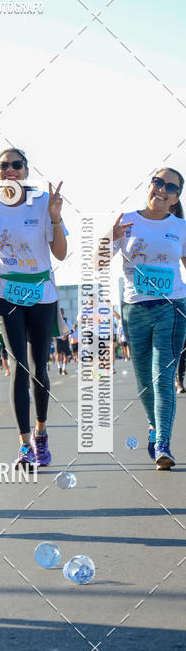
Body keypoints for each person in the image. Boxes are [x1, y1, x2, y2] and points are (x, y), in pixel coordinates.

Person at [0, 147, 68, 468]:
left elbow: (61, 253)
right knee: (18, 366)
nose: (10, 170)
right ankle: (24, 445)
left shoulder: (43, 202)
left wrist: (55, 218)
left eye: (16, 164)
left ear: (26, 170)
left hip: (40, 293)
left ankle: (41, 433)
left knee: (39, 368)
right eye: (3, 166)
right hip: (6, 293)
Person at [108, 168, 186, 469]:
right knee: (144, 382)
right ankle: (154, 426)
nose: (162, 189)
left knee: (162, 377)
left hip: (172, 307)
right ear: (149, 186)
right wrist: (110, 237)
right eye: (158, 182)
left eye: (170, 187)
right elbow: (98, 261)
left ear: (176, 198)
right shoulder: (127, 220)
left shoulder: (180, 227)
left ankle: (164, 443)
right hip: (135, 309)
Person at [55, 309, 70, 374]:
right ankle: (59, 366)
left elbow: (70, 329)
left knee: (66, 354)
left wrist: (66, 336)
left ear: (63, 313)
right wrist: (54, 336)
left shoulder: (67, 320)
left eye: (62, 313)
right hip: (58, 339)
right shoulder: (55, 320)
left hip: (65, 339)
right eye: (60, 313)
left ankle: (64, 368)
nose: (61, 314)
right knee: (59, 353)